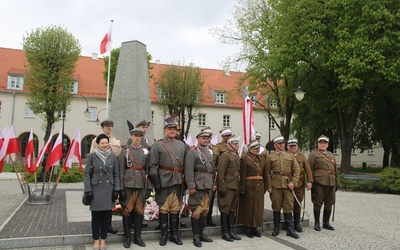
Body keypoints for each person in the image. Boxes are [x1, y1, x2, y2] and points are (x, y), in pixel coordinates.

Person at [148, 121, 188, 246]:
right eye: (169, 129)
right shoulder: (158, 145)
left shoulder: (182, 145)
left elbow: (188, 165)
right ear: (165, 130)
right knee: (164, 207)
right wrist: (156, 182)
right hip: (163, 179)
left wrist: (186, 181)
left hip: (178, 180)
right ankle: (164, 235)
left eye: (174, 129)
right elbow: (152, 165)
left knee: (175, 207)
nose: (172, 131)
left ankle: (174, 235)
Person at [84, 134, 120, 250]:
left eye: (106, 143)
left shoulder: (113, 156)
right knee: (96, 217)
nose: (104, 145)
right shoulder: (91, 156)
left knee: (106, 217)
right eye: (102, 143)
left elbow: (116, 174)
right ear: (98, 144)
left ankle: (103, 239)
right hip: (95, 190)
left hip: (109, 189)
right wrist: (88, 189)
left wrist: (116, 189)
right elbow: (87, 174)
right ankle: (96, 240)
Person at [119, 128, 151, 248]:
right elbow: (121, 171)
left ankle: (138, 237)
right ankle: (127, 237)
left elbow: (149, 170)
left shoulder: (145, 152)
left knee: (139, 211)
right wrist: (121, 188)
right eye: (135, 135)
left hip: (141, 184)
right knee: (127, 211)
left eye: (139, 136)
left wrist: (149, 187)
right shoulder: (125, 151)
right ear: (131, 137)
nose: (137, 138)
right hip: (128, 185)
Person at [185, 131, 216, 247]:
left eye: (208, 138)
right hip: (198, 185)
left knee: (204, 210)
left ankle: (202, 233)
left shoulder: (209, 152)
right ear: (198, 139)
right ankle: (196, 236)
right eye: (203, 138)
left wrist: (213, 183)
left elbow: (213, 170)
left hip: (208, 184)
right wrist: (191, 186)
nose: (206, 140)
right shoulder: (192, 153)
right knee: (197, 211)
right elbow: (189, 171)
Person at [90, 119, 121, 235]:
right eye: (106, 126)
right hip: (100, 176)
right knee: (98, 204)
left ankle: (108, 225)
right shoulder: (96, 140)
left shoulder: (116, 141)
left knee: (110, 204)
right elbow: (93, 158)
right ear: (102, 128)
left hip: (112, 173)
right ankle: (98, 227)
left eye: (110, 126)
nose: (109, 128)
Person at [266, 136, 300, 239]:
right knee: (276, 205)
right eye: (279, 143)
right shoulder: (270, 157)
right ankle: (276, 228)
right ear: (275, 145)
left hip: (287, 185)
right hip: (276, 185)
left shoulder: (290, 156)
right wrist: (269, 186)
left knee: (288, 205)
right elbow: (267, 172)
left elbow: (296, 170)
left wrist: (293, 182)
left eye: (282, 143)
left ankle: (290, 229)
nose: (281, 145)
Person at [238, 140, 268, 238]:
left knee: (258, 207)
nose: (257, 150)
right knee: (249, 206)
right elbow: (242, 175)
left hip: (259, 185)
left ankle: (255, 227)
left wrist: (266, 186)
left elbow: (265, 174)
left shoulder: (262, 159)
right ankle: (248, 228)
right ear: (250, 149)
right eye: (255, 148)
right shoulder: (244, 159)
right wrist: (242, 189)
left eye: (258, 148)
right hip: (249, 185)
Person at [308, 135, 337, 231]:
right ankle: (317, 223)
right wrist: (310, 181)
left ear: (327, 145)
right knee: (318, 202)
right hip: (319, 181)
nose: (323, 145)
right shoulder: (313, 154)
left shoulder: (331, 155)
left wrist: (337, 182)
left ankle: (326, 222)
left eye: (325, 143)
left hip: (331, 182)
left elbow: (335, 170)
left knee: (329, 203)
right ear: (318, 144)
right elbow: (309, 169)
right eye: (321, 143)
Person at [217, 136, 241, 242]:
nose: (236, 145)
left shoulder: (236, 155)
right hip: (227, 185)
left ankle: (231, 231)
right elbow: (220, 172)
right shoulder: (226, 155)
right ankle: (225, 232)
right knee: (225, 209)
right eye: (234, 144)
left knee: (232, 209)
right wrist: (222, 187)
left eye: (237, 144)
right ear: (229, 145)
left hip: (235, 185)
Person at [287, 138, 313, 232]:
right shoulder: (285, 155)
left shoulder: (302, 156)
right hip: (289, 184)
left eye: (294, 146)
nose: (293, 147)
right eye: (291, 146)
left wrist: (309, 181)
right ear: (288, 147)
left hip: (299, 184)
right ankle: (289, 224)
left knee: (298, 203)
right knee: (288, 204)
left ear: (297, 147)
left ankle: (297, 224)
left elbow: (308, 169)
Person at [202, 126, 220, 227]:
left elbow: (218, 166)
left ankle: (209, 218)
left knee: (211, 198)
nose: (207, 138)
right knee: (201, 199)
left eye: (209, 136)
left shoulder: (215, 149)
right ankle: (201, 219)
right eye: (205, 136)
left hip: (212, 177)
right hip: (201, 177)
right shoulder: (196, 149)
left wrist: (216, 182)